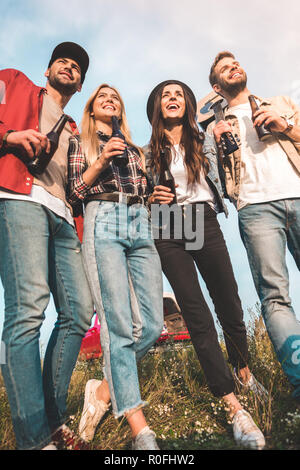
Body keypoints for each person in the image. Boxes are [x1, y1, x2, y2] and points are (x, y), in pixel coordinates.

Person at [143, 79, 266, 450]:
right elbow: (138, 196)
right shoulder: (147, 151)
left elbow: (231, 153)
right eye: (166, 95)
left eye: (178, 93)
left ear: (188, 104)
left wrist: (222, 121)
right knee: (196, 313)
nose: (172, 98)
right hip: (166, 225)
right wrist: (150, 197)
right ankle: (232, 405)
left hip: (201, 218)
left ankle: (243, 372)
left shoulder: (205, 139)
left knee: (228, 300)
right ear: (157, 107)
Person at [0, 42, 94, 450]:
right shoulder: (12, 82)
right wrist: (9, 136)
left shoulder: (74, 127)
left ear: (79, 82)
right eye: (63, 61)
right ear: (48, 70)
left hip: (64, 219)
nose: (69, 67)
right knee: (28, 310)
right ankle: (35, 440)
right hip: (20, 202)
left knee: (78, 312)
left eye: (76, 67)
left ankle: (52, 418)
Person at [67, 84, 164, 450]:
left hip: (139, 219)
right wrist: (102, 159)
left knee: (152, 325)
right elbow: (74, 192)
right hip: (102, 217)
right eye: (101, 98)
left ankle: (103, 391)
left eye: (116, 97)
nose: (110, 100)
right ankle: (141, 429)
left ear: (121, 110)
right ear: (92, 110)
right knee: (116, 323)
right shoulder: (81, 143)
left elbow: (148, 191)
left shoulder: (137, 151)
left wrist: (155, 197)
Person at [208, 51, 300, 404]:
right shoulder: (216, 124)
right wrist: (215, 145)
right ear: (217, 85)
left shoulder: (280, 103)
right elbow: (210, 182)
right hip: (255, 208)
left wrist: (285, 124)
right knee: (275, 298)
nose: (234, 67)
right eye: (224, 69)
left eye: (236, 63)